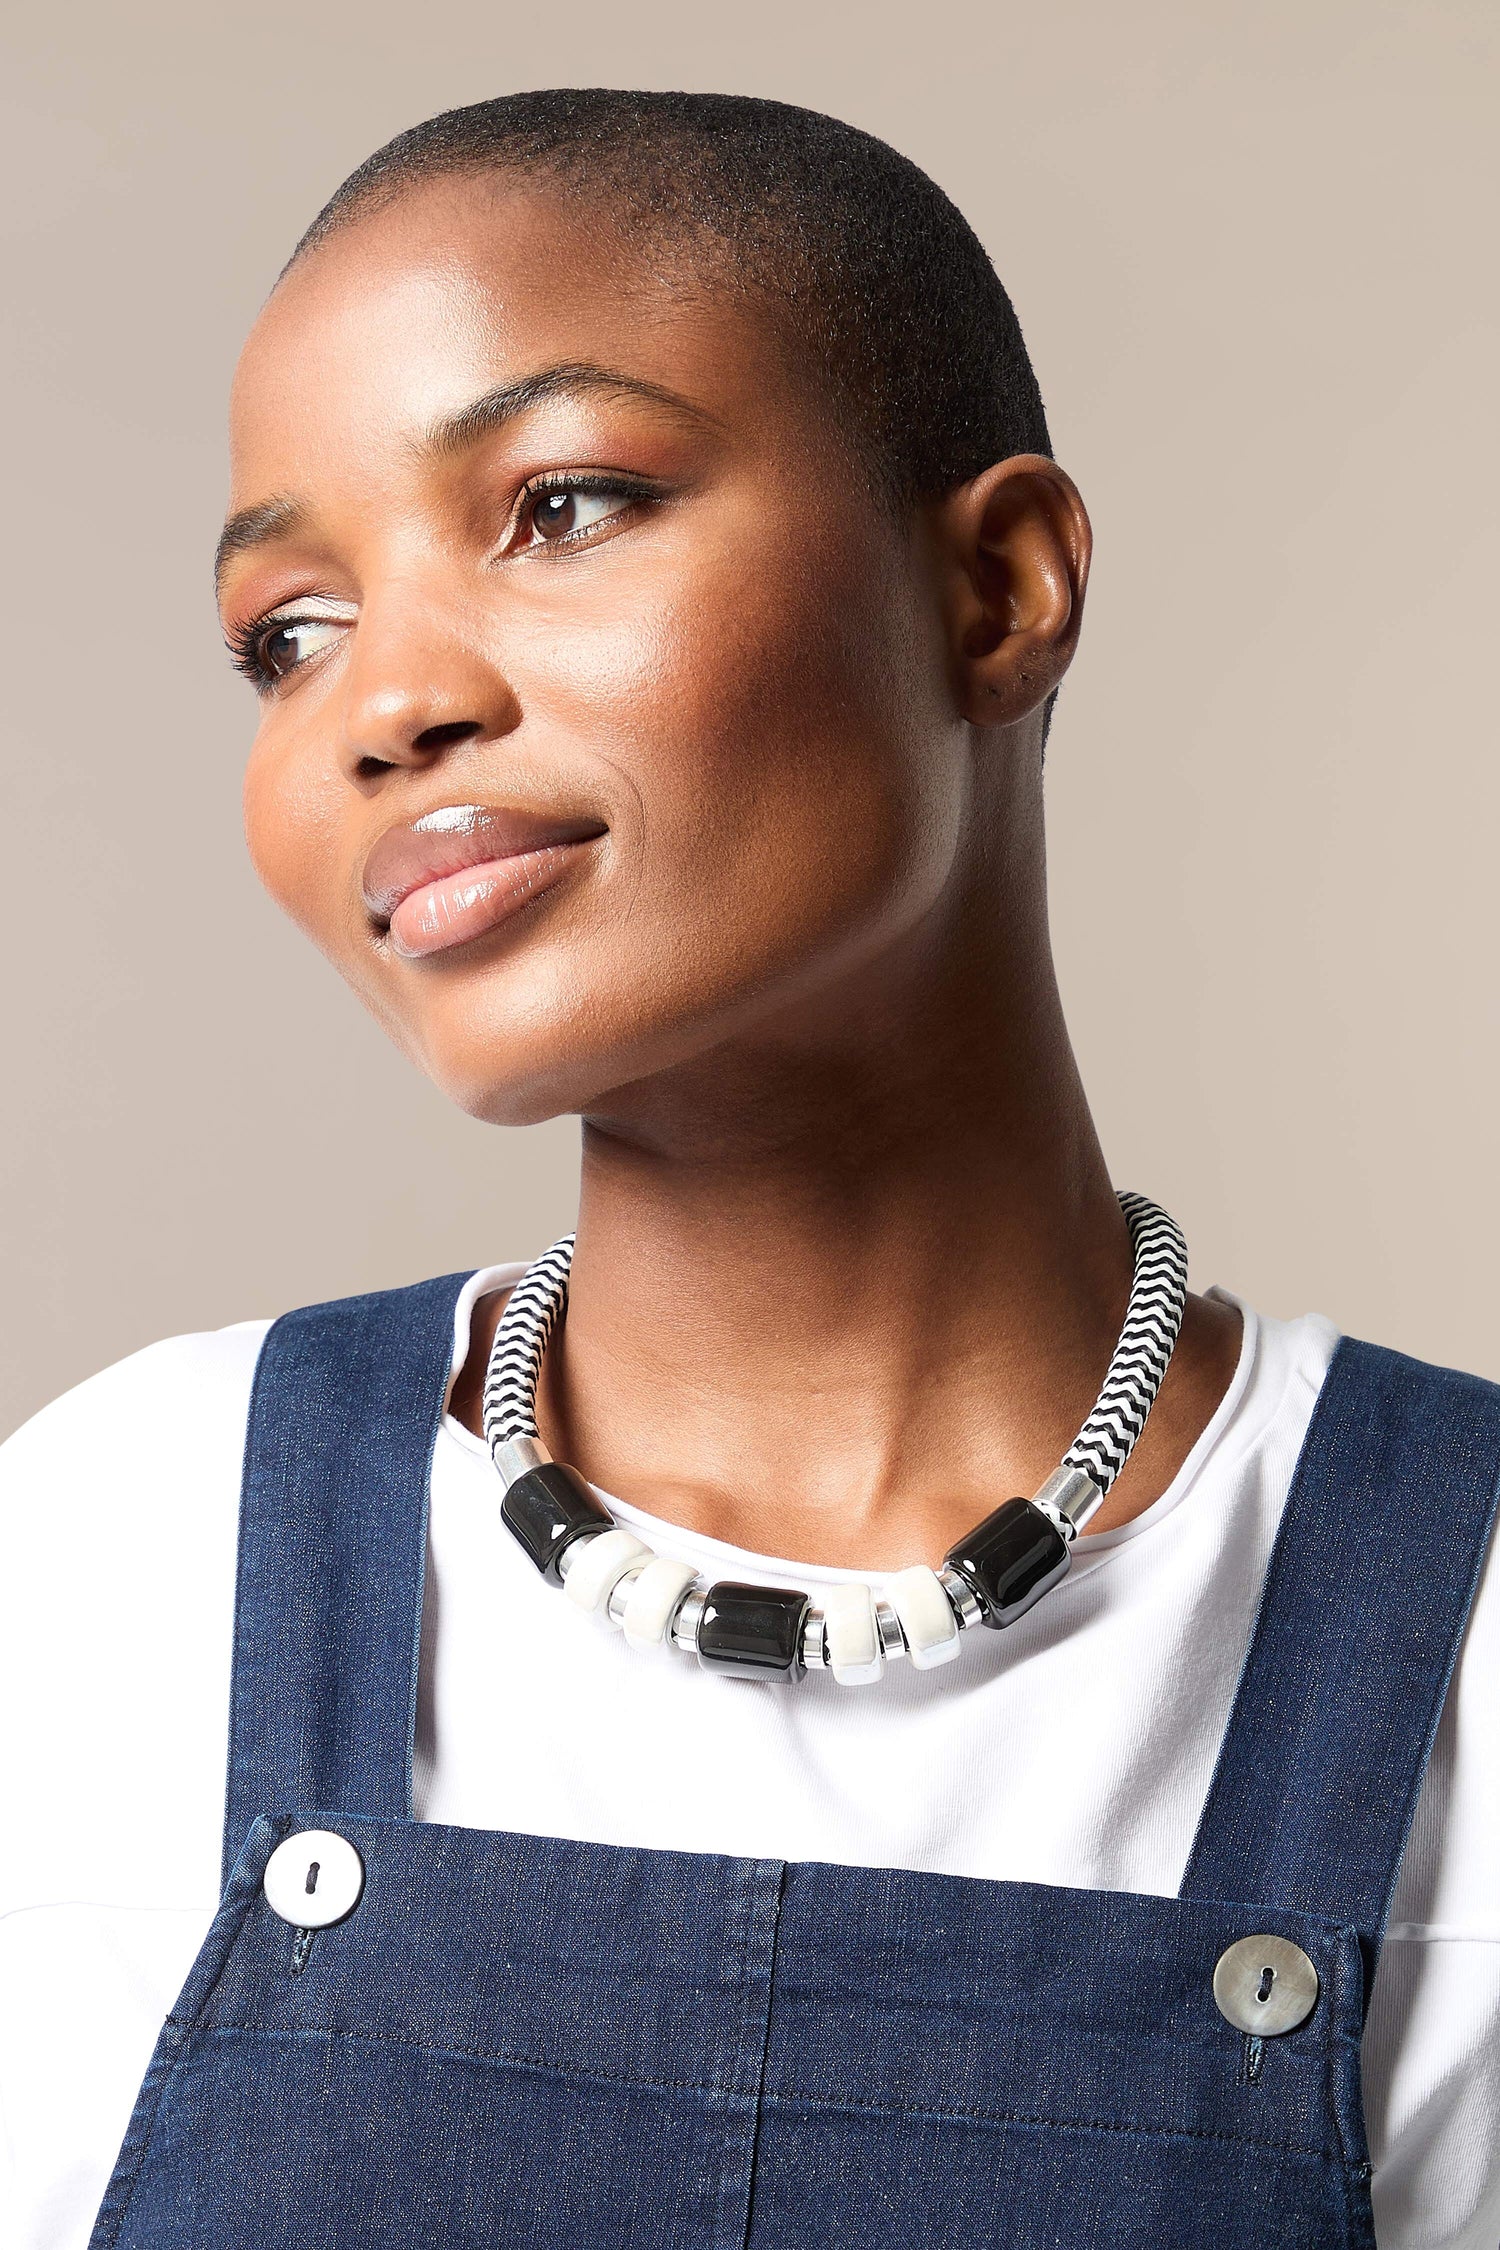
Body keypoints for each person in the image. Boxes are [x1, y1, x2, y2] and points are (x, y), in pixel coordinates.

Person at [2, 87, 1496, 2250]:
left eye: (563, 502)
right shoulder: (107, 1560)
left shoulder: (1463, 1645)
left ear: (998, 586)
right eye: (289, 633)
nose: (381, 704)